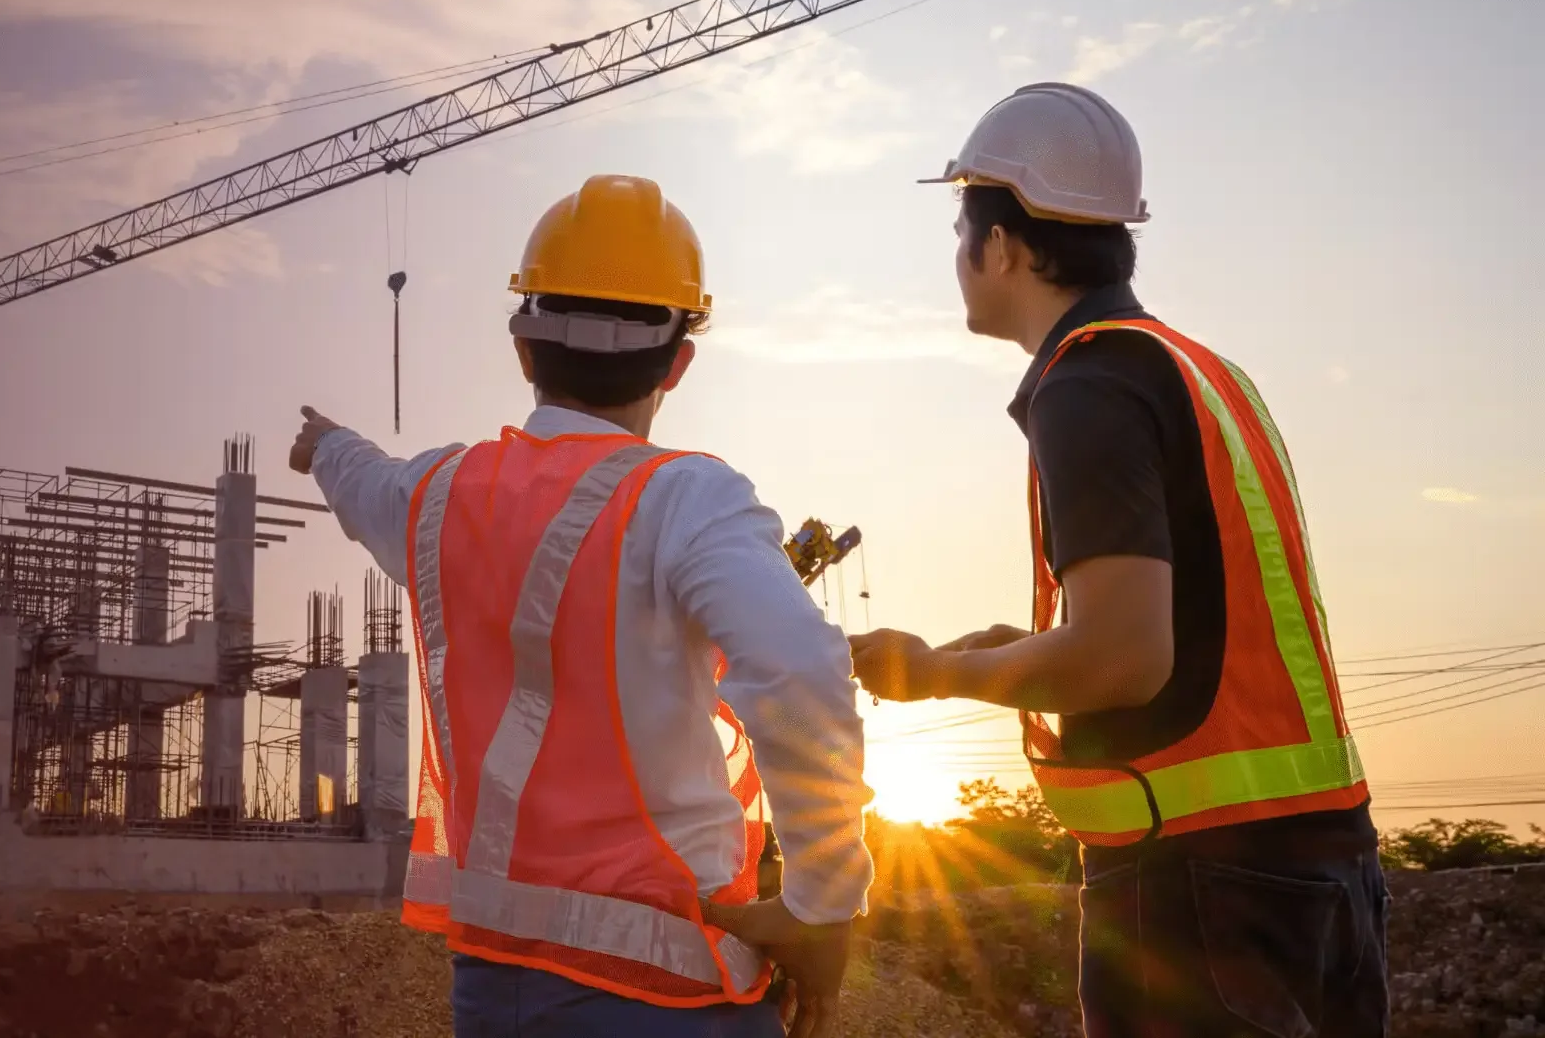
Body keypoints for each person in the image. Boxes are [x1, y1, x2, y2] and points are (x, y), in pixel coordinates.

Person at [849, 83, 1386, 1037]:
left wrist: (936, 674)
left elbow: (1126, 661)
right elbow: (1201, 627)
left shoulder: (1088, 384)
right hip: (1324, 866)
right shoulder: (1201, 370)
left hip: (1200, 887)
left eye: (962, 233)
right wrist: (1027, 651)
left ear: (1002, 245)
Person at [287, 174, 872, 1038]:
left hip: (494, 991)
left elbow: (368, 484)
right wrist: (824, 906)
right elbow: (800, 669)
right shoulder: (686, 500)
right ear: (680, 360)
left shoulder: (441, 496)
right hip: (670, 990)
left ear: (524, 350)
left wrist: (326, 445)